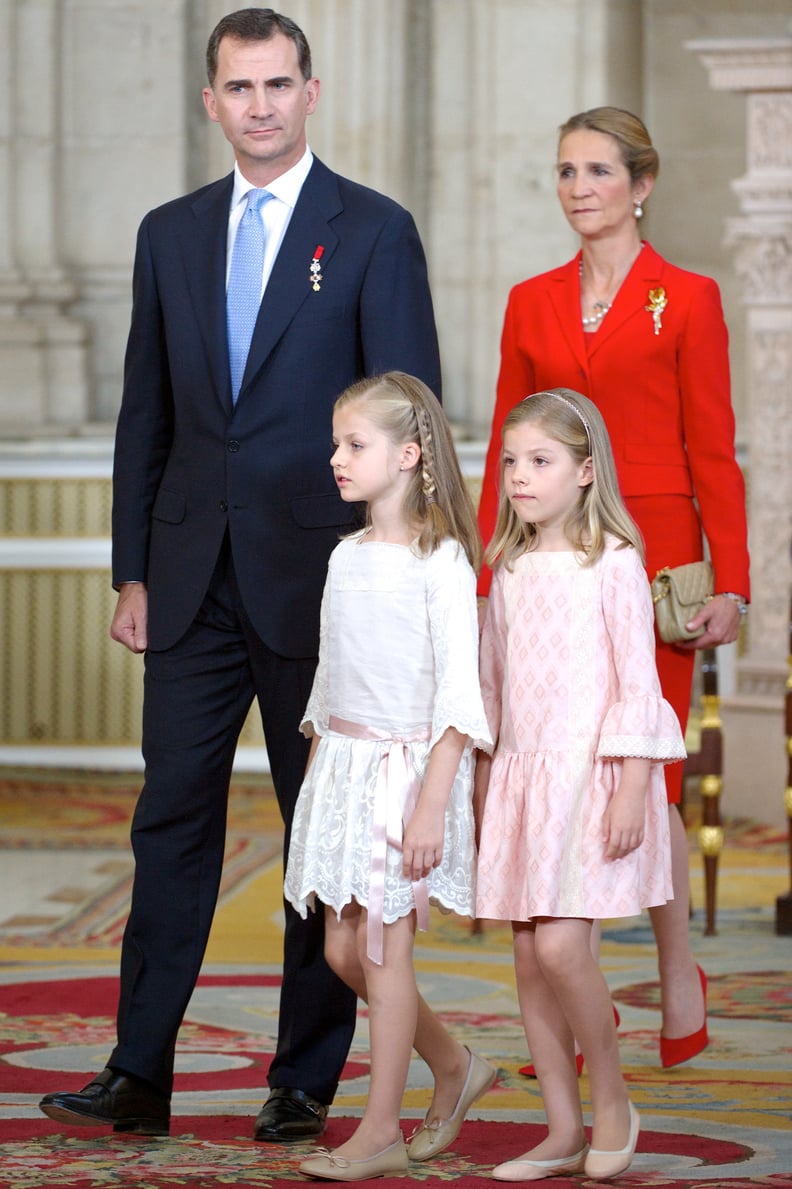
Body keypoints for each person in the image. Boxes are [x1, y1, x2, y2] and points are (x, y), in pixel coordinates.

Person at [38, 8, 442, 1142]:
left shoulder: (373, 231)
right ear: (209, 101)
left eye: (278, 84)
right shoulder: (168, 233)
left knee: (323, 832)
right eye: (239, 87)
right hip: (187, 579)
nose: (260, 104)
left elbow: (412, 422)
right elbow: (145, 415)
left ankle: (303, 1077)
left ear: (312, 92)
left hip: (330, 589)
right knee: (170, 817)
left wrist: (395, 583)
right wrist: (133, 568)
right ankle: (138, 1068)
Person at [478, 107, 750, 1069]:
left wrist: (736, 580)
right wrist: (485, 575)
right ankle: (580, 992)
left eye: (598, 170)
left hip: (659, 557)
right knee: (558, 766)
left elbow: (713, 447)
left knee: (646, 769)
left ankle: (677, 964)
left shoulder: (690, 296)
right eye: (565, 171)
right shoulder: (528, 299)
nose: (578, 187)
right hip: (548, 562)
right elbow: (507, 446)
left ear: (642, 185)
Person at [284, 372, 496, 1182]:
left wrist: (432, 804)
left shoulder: (440, 562)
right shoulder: (345, 557)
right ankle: (453, 1063)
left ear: (408, 455)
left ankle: (379, 1128)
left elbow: (457, 700)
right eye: (338, 442)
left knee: (382, 951)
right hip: (342, 767)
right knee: (342, 949)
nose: (335, 457)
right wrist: (313, 798)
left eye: (354, 444)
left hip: (409, 775)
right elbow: (329, 686)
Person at [475, 388, 685, 1182]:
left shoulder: (616, 565)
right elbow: (496, 688)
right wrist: (485, 784)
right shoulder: (510, 567)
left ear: (586, 471)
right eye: (509, 463)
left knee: (564, 945)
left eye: (540, 461)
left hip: (591, 782)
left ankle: (613, 1101)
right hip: (525, 783)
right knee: (529, 955)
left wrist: (635, 785)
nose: (519, 477)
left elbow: (638, 681)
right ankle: (561, 1126)